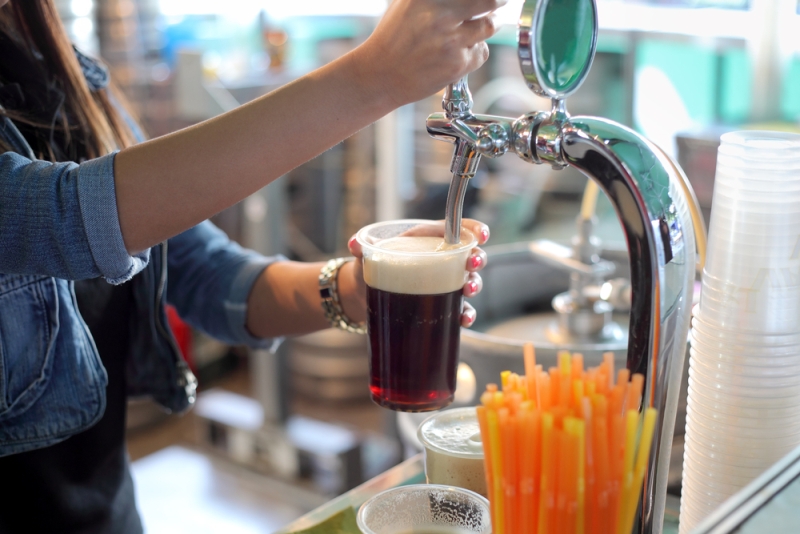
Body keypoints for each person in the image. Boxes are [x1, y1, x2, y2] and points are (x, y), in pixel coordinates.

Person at [0, 0, 503, 532]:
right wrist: (374, 75)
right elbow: (65, 218)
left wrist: (356, 288)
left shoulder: (64, 68)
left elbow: (205, 271)